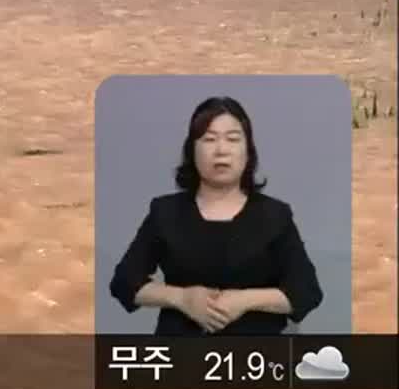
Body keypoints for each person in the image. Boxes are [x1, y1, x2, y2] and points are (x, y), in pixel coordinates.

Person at [108, 96, 323, 335]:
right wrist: (182, 298)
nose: (221, 151)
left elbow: (307, 290)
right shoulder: (165, 212)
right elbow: (124, 282)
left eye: (232, 139)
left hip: (256, 359)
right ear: (192, 150)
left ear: (248, 151)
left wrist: (244, 300)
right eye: (209, 139)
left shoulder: (274, 215)